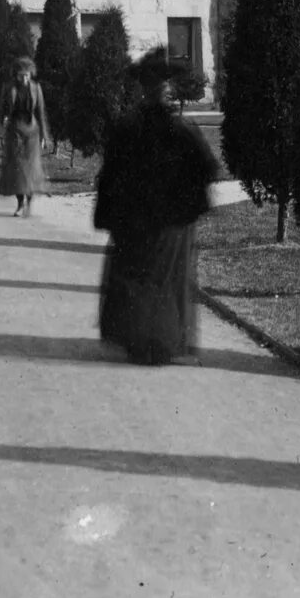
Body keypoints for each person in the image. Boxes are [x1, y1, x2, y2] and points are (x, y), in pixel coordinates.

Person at [93, 49, 222, 364]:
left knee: (137, 278)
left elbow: (109, 178)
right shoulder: (180, 130)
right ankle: (161, 342)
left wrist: (112, 214)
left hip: (136, 222)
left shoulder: (128, 129)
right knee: (165, 281)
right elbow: (208, 168)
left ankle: (140, 341)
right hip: (170, 223)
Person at [0, 54, 51, 214]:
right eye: (21, 76)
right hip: (14, 131)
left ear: (30, 74)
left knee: (31, 169)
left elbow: (40, 112)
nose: (24, 79)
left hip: (32, 132)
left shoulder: (36, 88)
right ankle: (20, 204)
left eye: (26, 75)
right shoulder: (9, 88)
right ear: (16, 75)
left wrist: (44, 136)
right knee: (17, 169)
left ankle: (29, 203)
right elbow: (0, 113)